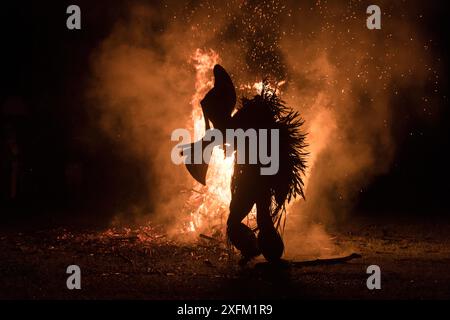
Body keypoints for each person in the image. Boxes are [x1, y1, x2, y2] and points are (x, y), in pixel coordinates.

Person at [200, 65, 308, 264]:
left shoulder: (244, 122)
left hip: (250, 181)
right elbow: (226, 135)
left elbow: (226, 133)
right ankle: (270, 254)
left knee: (234, 223)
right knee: (264, 220)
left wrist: (211, 115)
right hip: (263, 180)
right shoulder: (255, 123)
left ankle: (255, 250)